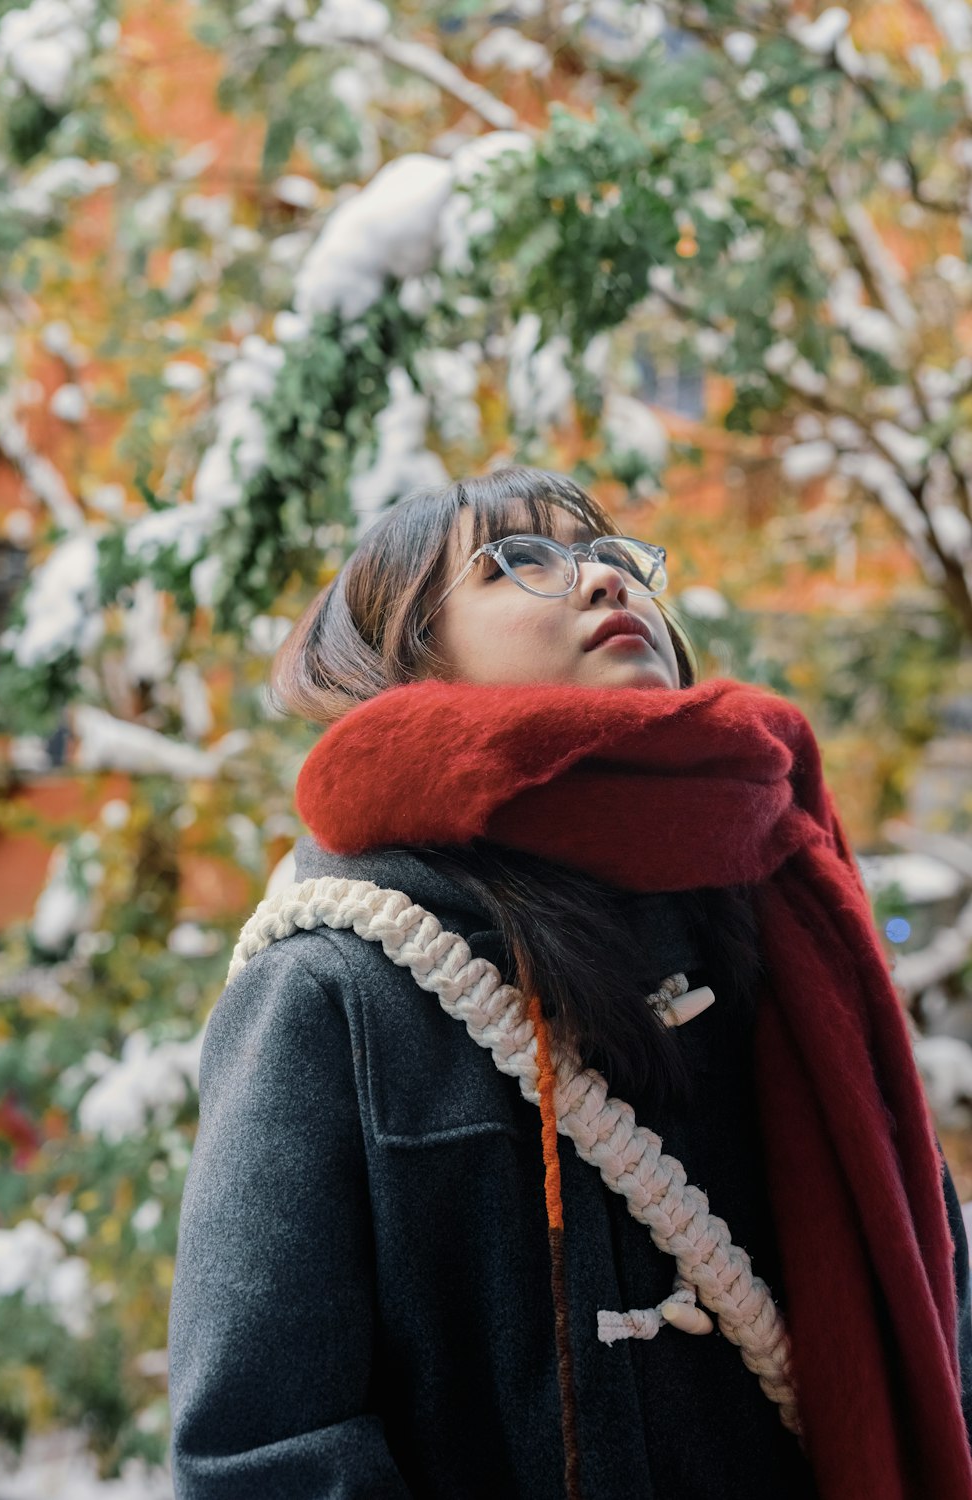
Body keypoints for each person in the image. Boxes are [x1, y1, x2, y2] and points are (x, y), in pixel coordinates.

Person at [168, 466, 972, 1500]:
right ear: (407, 661)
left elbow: (937, 1305)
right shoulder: (332, 979)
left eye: (609, 555)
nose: (598, 581)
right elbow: (262, 1451)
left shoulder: (784, 922)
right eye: (517, 562)